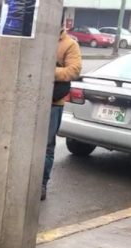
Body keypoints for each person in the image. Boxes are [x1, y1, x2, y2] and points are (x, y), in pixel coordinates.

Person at [42, 28, 82, 201]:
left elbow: (74, 70)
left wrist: (47, 70)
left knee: (47, 145)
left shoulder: (69, 44)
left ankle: (41, 183)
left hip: (53, 102)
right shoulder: (38, 37)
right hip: (30, 100)